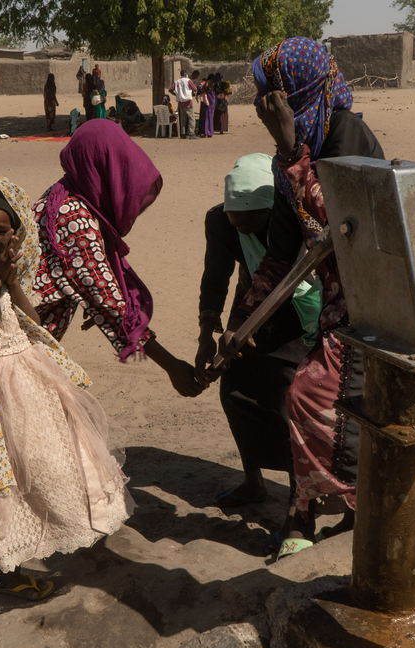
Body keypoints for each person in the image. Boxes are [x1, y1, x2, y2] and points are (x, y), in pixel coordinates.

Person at [0, 175, 133, 648]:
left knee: (35, 478)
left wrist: (13, 279)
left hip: (25, 387)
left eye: (0, 232)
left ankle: (13, 567)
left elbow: (31, 318)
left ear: (14, 235)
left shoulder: (8, 266)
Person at [219, 37, 384, 558]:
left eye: (273, 96)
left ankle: (349, 504)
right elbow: (281, 254)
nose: (265, 107)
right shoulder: (290, 154)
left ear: (298, 92)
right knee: (293, 390)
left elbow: (340, 227)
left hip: (374, 297)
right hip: (338, 301)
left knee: (311, 393)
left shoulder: (345, 136)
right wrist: (242, 321)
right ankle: (308, 507)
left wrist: (292, 152)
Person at [32, 119, 204, 397]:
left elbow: (74, 277)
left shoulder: (58, 195)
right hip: (17, 349)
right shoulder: (75, 218)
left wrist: (86, 296)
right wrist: (172, 366)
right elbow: (113, 307)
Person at [196, 153, 318, 508]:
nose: (243, 231)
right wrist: (207, 333)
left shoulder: (294, 220)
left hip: (300, 306)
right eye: (237, 224)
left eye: (252, 224)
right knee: (235, 391)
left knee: (287, 399)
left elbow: (284, 278)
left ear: (271, 211)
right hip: (250, 302)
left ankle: (301, 497)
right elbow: (216, 275)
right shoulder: (220, 222)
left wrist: (239, 327)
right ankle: (253, 482)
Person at [172, 70, 199, 139]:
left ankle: (183, 134)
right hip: (188, 102)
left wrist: (177, 95)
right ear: (185, 74)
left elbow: (170, 89)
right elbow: (195, 88)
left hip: (180, 103)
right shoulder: (188, 81)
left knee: (183, 119)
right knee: (191, 118)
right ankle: (191, 134)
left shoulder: (177, 81)